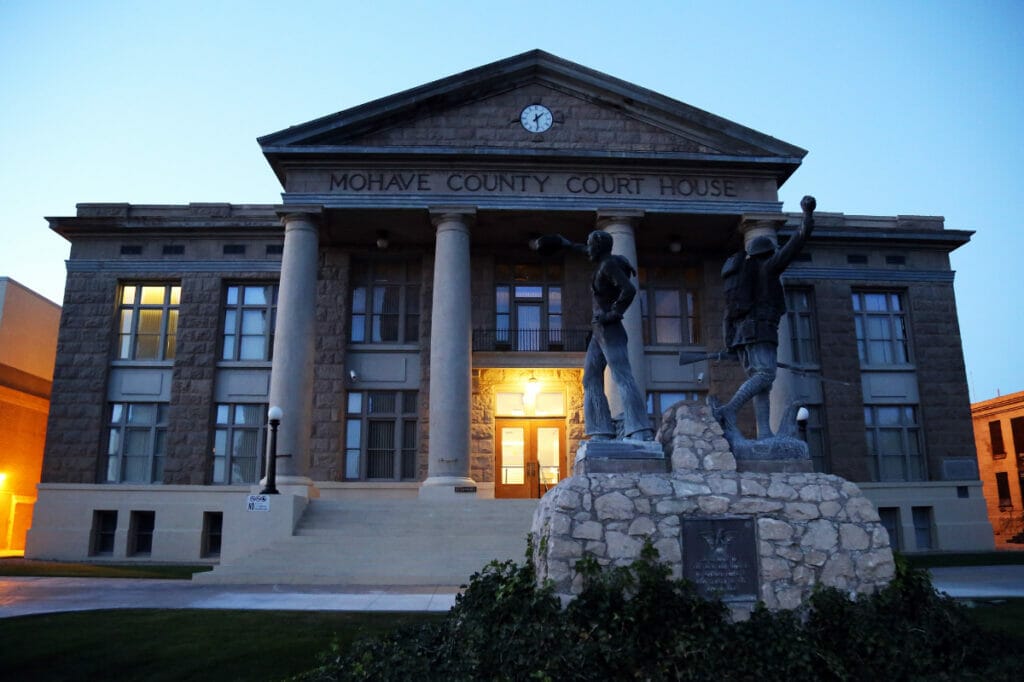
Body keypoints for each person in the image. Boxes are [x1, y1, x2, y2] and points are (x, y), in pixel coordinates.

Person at [711, 196, 816, 439]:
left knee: (763, 385)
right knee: (766, 375)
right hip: (761, 331)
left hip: (742, 336)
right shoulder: (767, 268)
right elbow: (795, 244)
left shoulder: (742, 276)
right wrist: (807, 217)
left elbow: (728, 312)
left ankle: (765, 433)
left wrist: (729, 341)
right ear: (768, 253)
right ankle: (729, 410)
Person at [532, 230, 653, 440]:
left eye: (590, 244)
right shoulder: (603, 260)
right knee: (590, 378)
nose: (587, 249)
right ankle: (601, 430)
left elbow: (629, 290)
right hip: (598, 330)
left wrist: (614, 313)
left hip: (609, 328)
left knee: (622, 376)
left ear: (598, 246)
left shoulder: (608, 265)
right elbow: (582, 249)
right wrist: (565, 243)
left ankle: (640, 429)